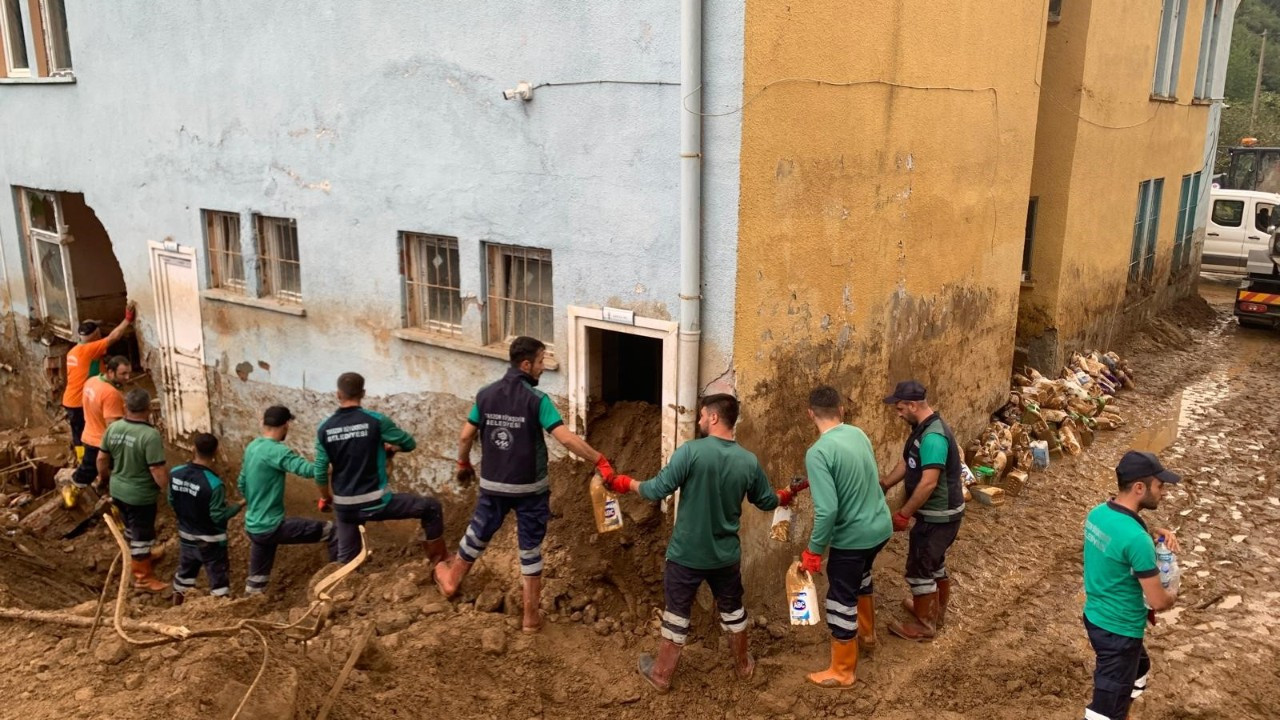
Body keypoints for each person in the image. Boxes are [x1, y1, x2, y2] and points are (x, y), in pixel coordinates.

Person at [605, 394, 797, 693]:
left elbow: (656, 490)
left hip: (686, 554)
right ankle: (744, 667)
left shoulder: (691, 452)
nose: (699, 421)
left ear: (715, 418)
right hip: (725, 556)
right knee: (733, 610)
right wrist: (786, 494)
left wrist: (623, 483)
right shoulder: (748, 461)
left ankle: (661, 676)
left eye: (702, 416)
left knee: (677, 613)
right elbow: (767, 501)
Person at [434, 336, 616, 635]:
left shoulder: (485, 395)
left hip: (493, 486)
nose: (544, 368)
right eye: (542, 361)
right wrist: (599, 460)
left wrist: (463, 464)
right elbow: (565, 438)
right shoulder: (537, 401)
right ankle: (531, 618)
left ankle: (452, 579)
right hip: (530, 489)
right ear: (527, 364)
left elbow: (466, 435)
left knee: (478, 531)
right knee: (530, 548)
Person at [799, 386, 893, 688]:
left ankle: (842, 670)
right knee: (862, 577)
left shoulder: (818, 452)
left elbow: (828, 510)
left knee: (840, 598)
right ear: (841, 410)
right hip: (880, 528)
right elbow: (859, 477)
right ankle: (867, 635)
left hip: (853, 537)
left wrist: (814, 551)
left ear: (810, 414)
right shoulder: (858, 434)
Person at [1082, 451, 1181, 720]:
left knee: (1140, 668)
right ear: (1139, 488)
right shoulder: (1136, 539)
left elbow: (1120, 544)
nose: (1164, 492)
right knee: (1105, 712)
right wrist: (1172, 591)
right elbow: (1159, 601)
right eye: (1159, 486)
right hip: (1119, 632)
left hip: (1094, 617)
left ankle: (1124, 701)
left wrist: (1153, 533)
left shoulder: (1098, 513)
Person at [315, 373, 446, 565]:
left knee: (348, 561)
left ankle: (342, 584)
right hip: (377, 503)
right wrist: (392, 448)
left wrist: (326, 497)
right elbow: (409, 443)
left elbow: (319, 470)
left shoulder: (324, 428)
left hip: (345, 506)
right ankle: (439, 562)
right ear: (363, 393)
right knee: (431, 507)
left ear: (338, 395)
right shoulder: (375, 421)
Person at [878, 380, 964, 641]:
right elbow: (908, 462)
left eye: (900, 407)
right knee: (934, 562)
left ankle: (925, 626)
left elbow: (928, 482)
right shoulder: (921, 428)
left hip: (939, 516)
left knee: (920, 565)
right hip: (937, 515)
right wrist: (884, 483)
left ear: (913, 405)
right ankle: (934, 612)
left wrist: (904, 513)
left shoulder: (933, 437)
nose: (898, 412)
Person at [241, 406, 338, 596]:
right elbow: (308, 470)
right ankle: (334, 585)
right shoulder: (277, 451)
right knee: (334, 531)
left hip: (254, 526)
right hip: (272, 527)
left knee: (256, 582)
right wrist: (333, 467)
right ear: (286, 425)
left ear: (264, 423)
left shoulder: (252, 447)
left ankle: (248, 605)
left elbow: (241, 483)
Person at [97, 388, 168, 592]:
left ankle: (141, 557)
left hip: (118, 489)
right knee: (141, 534)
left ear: (126, 407)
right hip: (140, 495)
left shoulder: (114, 428)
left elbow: (102, 459)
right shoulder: (149, 435)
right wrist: (168, 490)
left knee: (130, 527)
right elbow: (156, 468)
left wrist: (104, 479)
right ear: (148, 409)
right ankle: (142, 578)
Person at [168, 433, 242, 604]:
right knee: (218, 580)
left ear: (193, 448)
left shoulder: (175, 473)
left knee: (185, 574)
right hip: (210, 541)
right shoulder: (214, 484)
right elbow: (218, 516)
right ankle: (220, 614)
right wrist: (238, 506)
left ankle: (175, 608)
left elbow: (171, 500)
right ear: (216, 452)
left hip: (186, 535)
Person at [62, 307, 134, 454]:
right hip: (81, 401)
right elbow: (114, 337)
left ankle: (82, 459)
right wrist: (127, 319)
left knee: (78, 433)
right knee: (89, 432)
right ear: (95, 334)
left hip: (72, 399)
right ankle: (91, 460)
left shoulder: (74, 351)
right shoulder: (90, 349)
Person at [63, 356, 132, 507]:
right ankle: (115, 505)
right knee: (116, 473)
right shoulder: (111, 394)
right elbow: (112, 426)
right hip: (102, 441)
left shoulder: (92, 381)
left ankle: (73, 492)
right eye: (123, 374)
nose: (127, 377)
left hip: (89, 434)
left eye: (128, 373)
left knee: (88, 469)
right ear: (111, 372)